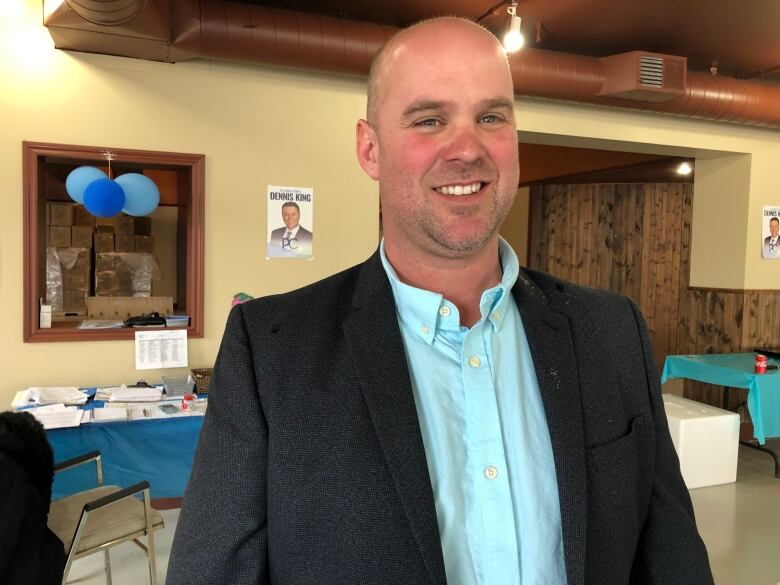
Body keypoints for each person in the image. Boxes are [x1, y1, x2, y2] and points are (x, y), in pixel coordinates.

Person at [168, 17, 713, 585]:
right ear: (370, 148)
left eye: (491, 117)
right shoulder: (272, 351)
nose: (467, 148)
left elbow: (672, 556)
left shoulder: (611, 330)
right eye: (429, 119)